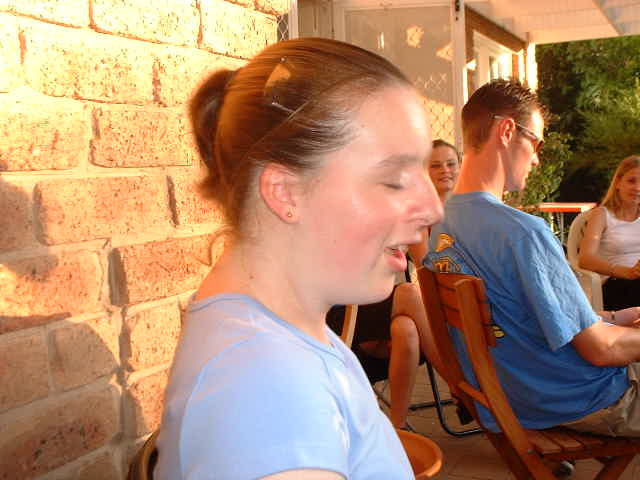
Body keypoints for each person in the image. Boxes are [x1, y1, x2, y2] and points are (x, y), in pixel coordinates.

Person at [154, 37, 443, 480]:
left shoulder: (280, 335)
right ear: (285, 193)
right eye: (394, 179)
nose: (433, 208)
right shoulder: (265, 387)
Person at [425, 78, 640, 437]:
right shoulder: (523, 232)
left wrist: (613, 318)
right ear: (507, 131)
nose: (537, 158)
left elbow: (522, 319)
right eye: (536, 143)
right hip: (586, 399)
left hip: (513, 397)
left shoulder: (441, 224)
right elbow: (601, 349)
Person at [326, 139, 461, 431]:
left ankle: (397, 428)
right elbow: (427, 269)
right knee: (409, 293)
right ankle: (460, 385)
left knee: (406, 328)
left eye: (451, 164)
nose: (444, 171)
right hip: (349, 309)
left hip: (398, 309)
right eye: (435, 165)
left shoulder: (462, 214)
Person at [579, 155, 640, 310]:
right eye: (631, 181)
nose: (637, 188)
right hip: (614, 283)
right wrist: (625, 272)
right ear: (618, 182)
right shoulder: (601, 215)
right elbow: (585, 259)